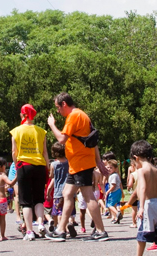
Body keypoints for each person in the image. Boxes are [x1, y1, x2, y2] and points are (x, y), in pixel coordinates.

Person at [46, 92, 110, 242]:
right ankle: (61, 230)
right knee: (67, 193)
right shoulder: (82, 115)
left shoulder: (74, 116)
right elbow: (92, 141)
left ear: (64, 104)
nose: (57, 111)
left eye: (58, 107)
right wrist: (99, 161)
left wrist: (52, 125)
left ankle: (101, 231)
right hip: (76, 164)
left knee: (88, 195)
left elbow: (62, 139)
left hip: (81, 163)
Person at [10, 104, 50, 241]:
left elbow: (14, 152)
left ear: (23, 115)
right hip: (39, 166)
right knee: (39, 198)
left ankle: (29, 231)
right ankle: (40, 223)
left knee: (26, 201)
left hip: (24, 166)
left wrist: (16, 166)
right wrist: (48, 166)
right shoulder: (41, 131)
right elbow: (45, 152)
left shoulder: (16, 131)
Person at [0, 157, 18, 241]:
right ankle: (2, 235)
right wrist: (16, 176)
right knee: (2, 219)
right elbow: (11, 183)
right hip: (1, 200)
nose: (5, 167)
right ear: (0, 166)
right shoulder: (2, 175)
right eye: (4, 166)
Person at [105, 159, 123, 224]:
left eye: (111, 168)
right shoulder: (115, 175)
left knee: (109, 205)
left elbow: (113, 185)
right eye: (108, 167)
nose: (109, 169)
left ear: (115, 168)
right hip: (118, 191)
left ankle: (117, 213)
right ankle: (115, 218)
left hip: (114, 192)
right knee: (114, 205)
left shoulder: (113, 176)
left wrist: (108, 191)